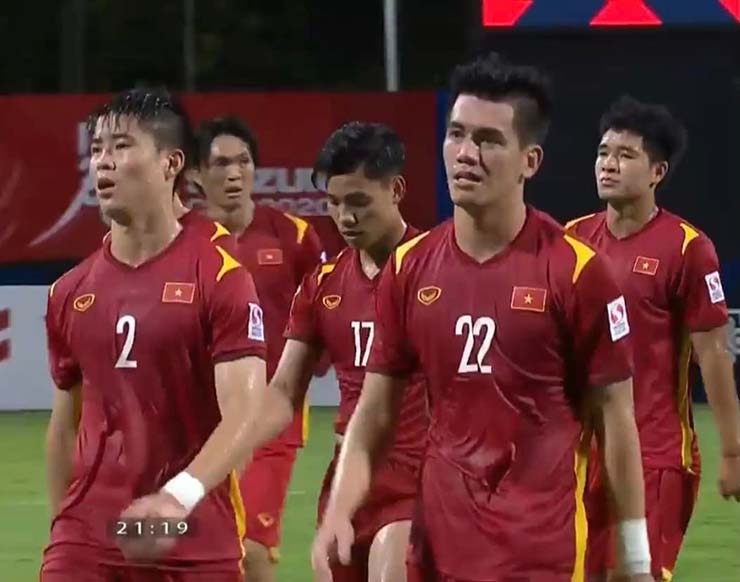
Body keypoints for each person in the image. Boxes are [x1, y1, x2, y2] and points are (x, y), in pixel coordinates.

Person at [311, 53, 652, 582]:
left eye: (489, 140)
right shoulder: (410, 268)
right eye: (457, 135)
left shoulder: (579, 272)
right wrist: (339, 507)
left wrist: (634, 555)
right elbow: (373, 412)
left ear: (529, 161)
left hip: (541, 555)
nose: (466, 154)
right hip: (436, 550)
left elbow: (616, 419)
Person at [42, 88, 267, 581]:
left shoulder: (221, 277)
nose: (103, 161)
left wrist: (176, 498)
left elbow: (246, 413)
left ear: (171, 163)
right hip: (86, 540)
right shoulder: (69, 291)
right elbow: (64, 426)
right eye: (97, 149)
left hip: (193, 537)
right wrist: (64, 528)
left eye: (122, 146)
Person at [241, 121, 429, 582]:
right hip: (347, 482)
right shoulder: (324, 285)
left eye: (359, 202)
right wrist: (227, 448)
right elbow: (284, 390)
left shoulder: (437, 270)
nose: (345, 217)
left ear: (396, 190)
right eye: (334, 202)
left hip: (420, 481)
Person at [565, 96, 740, 582]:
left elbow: (713, 354)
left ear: (657, 172)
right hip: (581, 457)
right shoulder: (571, 240)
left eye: (625, 155)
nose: (608, 164)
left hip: (656, 456)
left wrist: (732, 452)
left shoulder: (687, 248)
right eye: (603, 152)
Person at [195, 115, 324, 581]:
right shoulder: (183, 240)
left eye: (243, 162)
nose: (234, 173)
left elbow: (328, 308)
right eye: (220, 163)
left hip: (272, 413)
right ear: (196, 174)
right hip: (197, 419)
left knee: (250, 548)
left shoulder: (294, 237)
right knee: (198, 549)